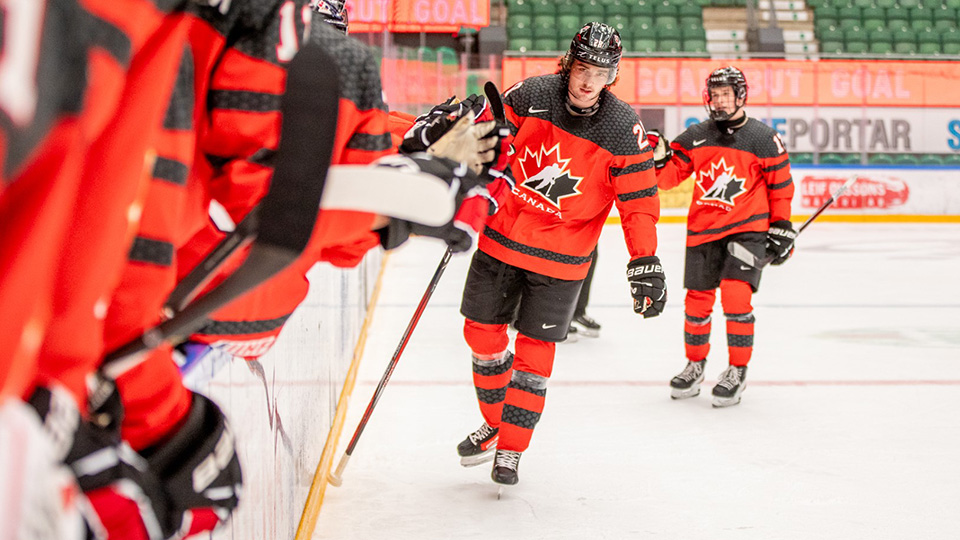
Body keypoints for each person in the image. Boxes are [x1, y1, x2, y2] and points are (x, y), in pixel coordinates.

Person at [456, 22, 665, 486]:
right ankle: (498, 422)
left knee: (535, 355)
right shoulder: (532, 92)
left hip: (561, 260)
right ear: (570, 63)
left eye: (602, 72)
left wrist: (644, 259)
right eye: (584, 68)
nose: (590, 81)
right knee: (481, 335)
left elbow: (638, 202)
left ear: (614, 74)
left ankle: (511, 448)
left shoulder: (622, 127)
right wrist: (470, 129)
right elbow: (485, 137)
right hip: (501, 240)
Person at [649, 66, 796, 408]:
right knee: (697, 303)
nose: (719, 101)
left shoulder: (762, 139)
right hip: (703, 230)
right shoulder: (697, 134)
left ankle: (736, 370)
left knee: (735, 296)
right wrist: (657, 160)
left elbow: (781, 186)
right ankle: (695, 365)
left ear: (741, 96)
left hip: (748, 229)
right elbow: (670, 178)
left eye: (726, 94)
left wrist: (782, 226)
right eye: (715, 95)